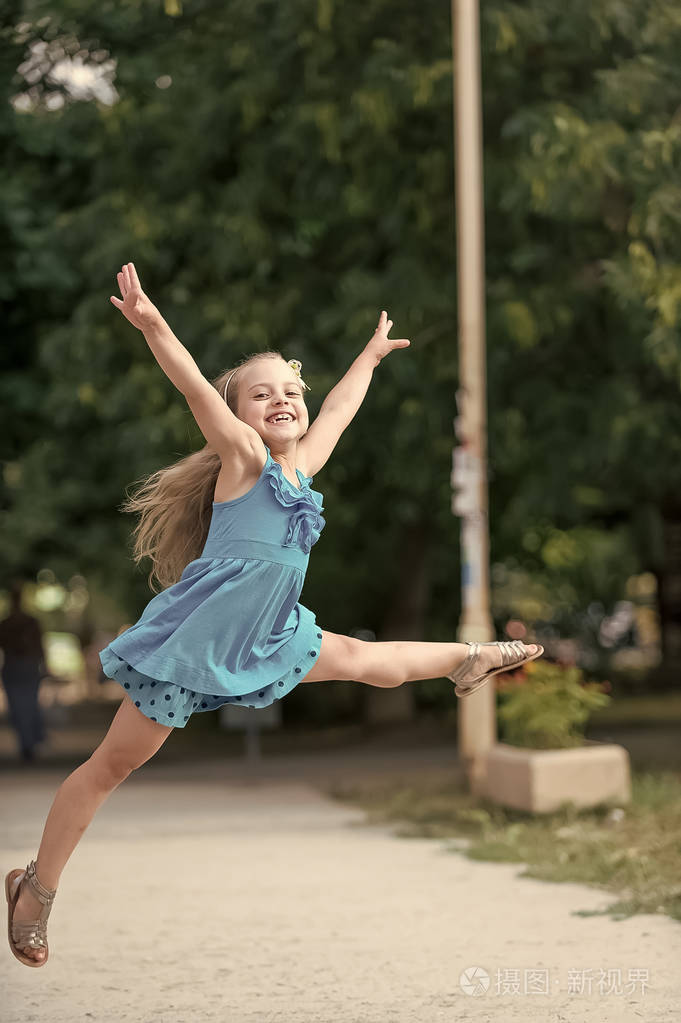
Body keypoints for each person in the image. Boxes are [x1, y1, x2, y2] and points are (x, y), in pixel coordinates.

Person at [5, 262, 543, 967]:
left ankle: (468, 656)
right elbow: (195, 385)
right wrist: (153, 324)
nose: (282, 400)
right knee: (110, 766)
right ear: (241, 414)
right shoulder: (244, 458)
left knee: (364, 663)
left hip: (267, 634)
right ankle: (36, 887)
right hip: (194, 644)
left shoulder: (303, 469)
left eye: (291, 391)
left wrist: (368, 356)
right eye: (262, 394)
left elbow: (342, 408)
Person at [0, 580, 47, 763]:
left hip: (16, 669)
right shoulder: (29, 623)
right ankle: (29, 742)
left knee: (19, 708)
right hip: (24, 668)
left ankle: (27, 742)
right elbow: (41, 648)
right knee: (27, 706)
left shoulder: (7, 624)